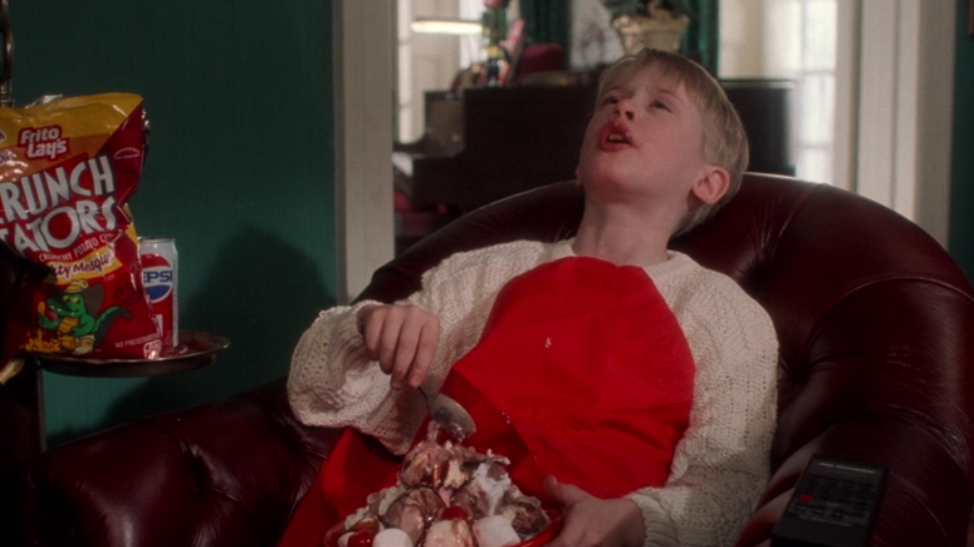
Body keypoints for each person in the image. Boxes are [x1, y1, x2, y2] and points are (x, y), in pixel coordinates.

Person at [283, 48, 778, 547]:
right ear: (579, 166)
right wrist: (367, 331)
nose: (623, 109)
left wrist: (632, 520)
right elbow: (314, 393)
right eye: (611, 99)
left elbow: (728, 489)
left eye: (659, 105)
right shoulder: (483, 275)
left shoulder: (725, 315)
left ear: (707, 182)